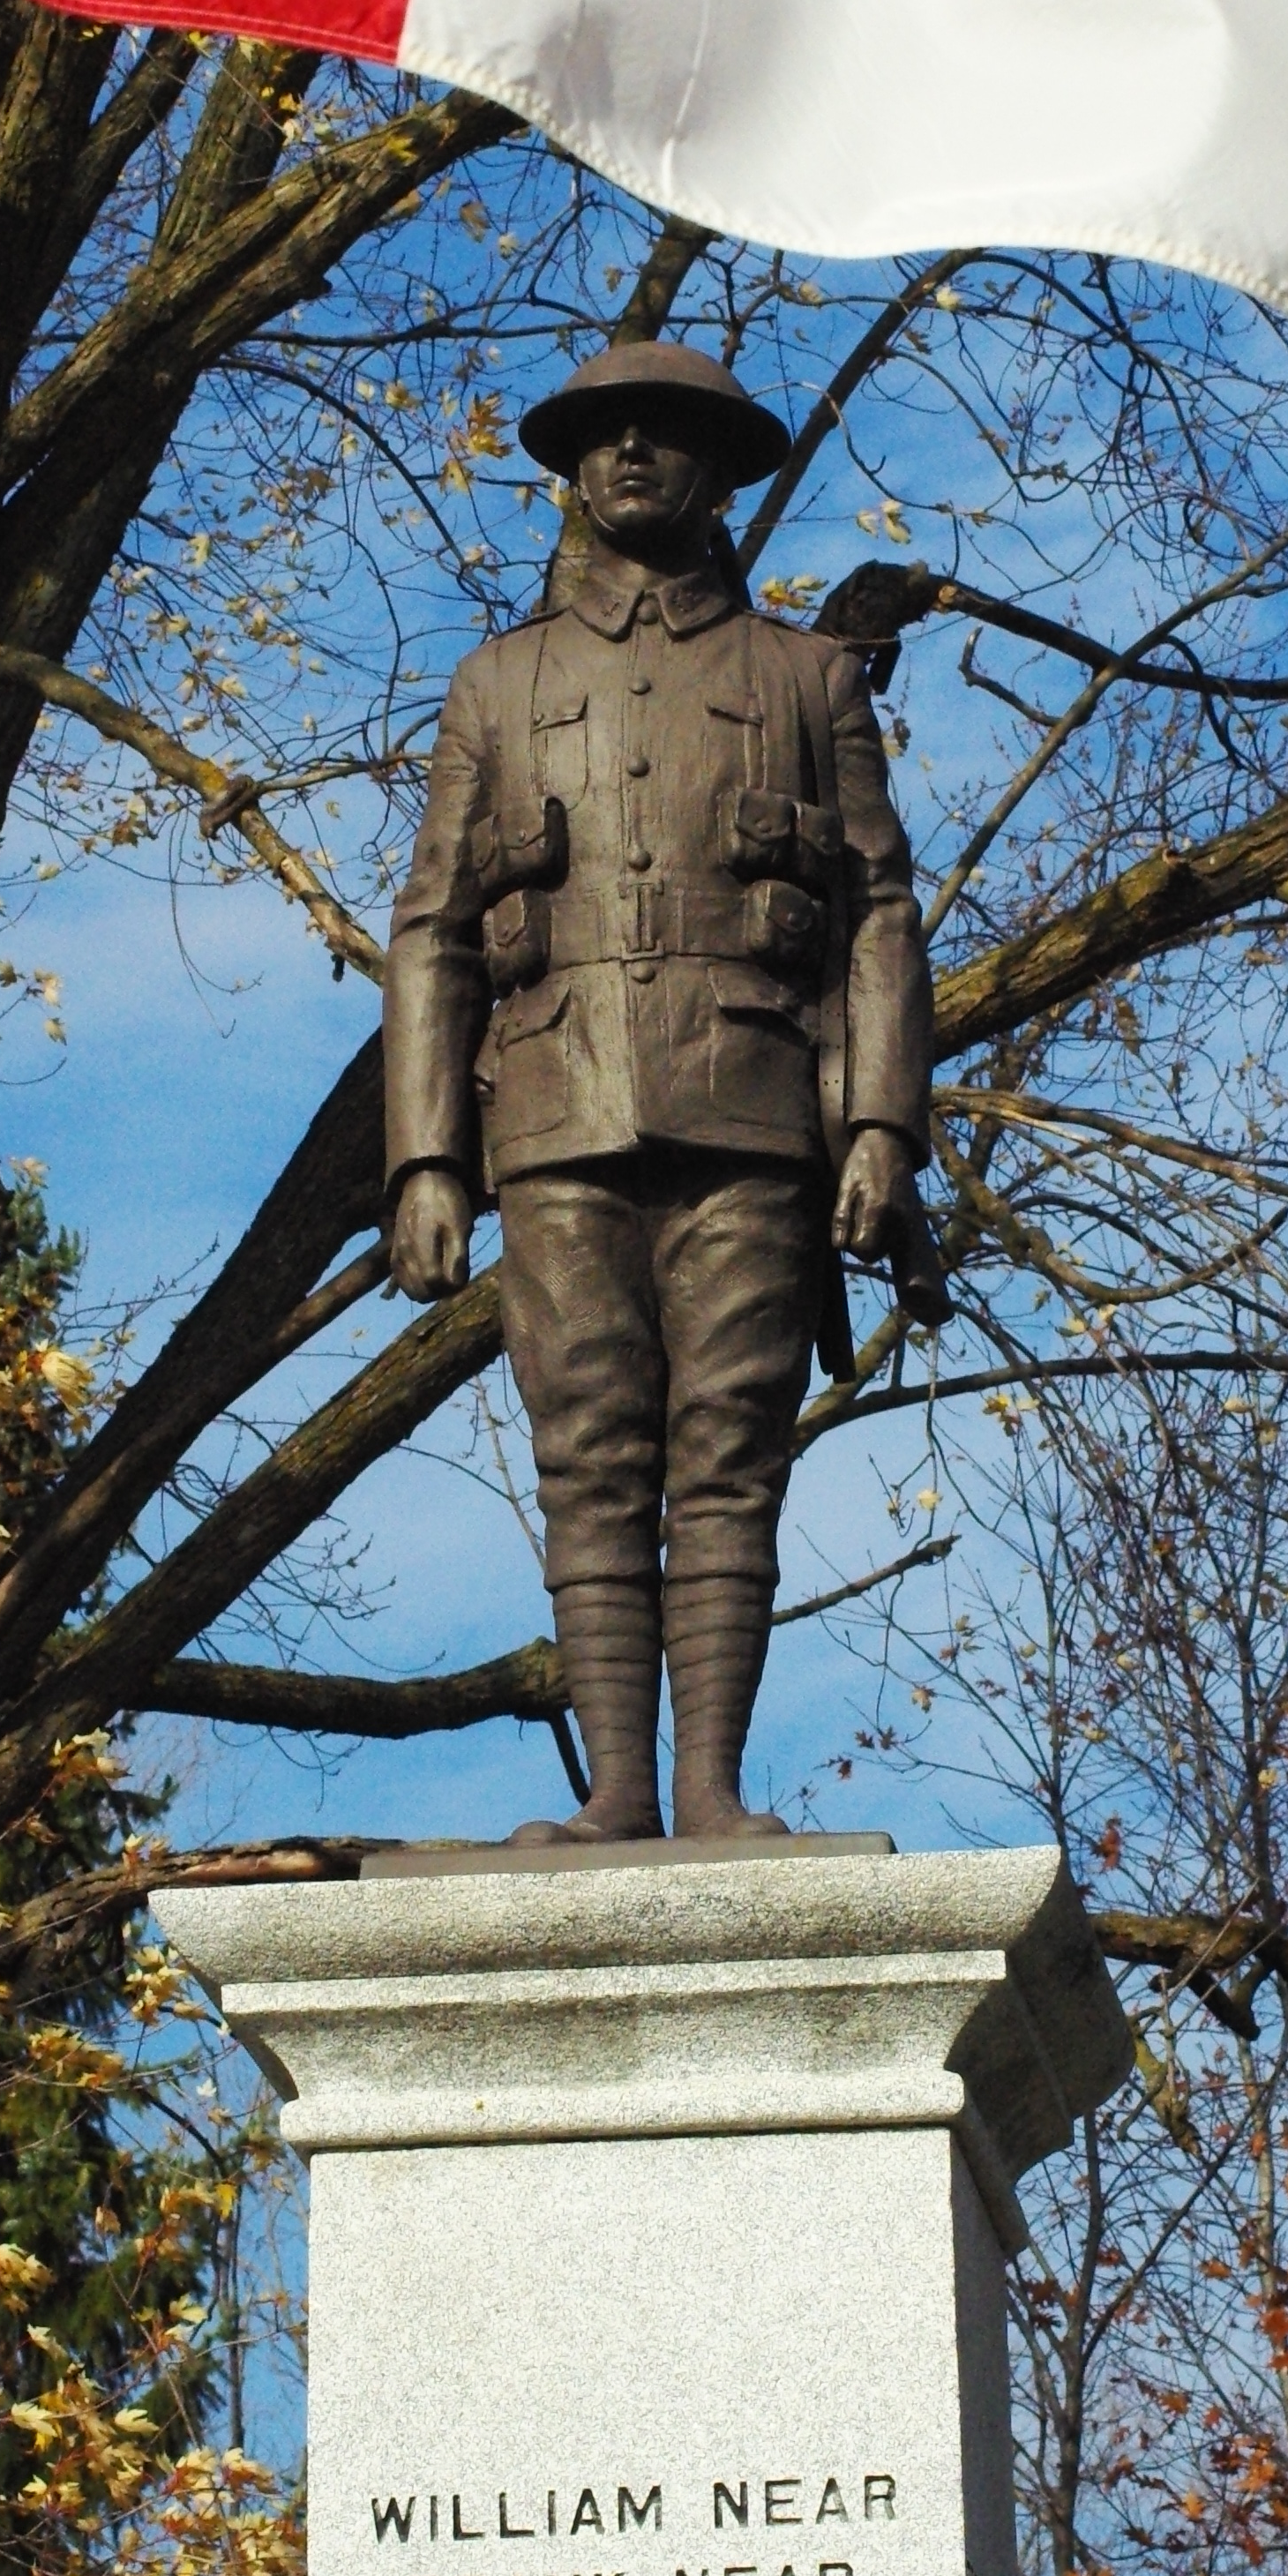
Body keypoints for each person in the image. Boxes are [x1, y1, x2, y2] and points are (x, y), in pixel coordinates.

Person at [382, 339, 945, 1840]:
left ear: (722, 471)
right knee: (588, 1446)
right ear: (571, 468)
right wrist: (427, 1159)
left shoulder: (808, 677)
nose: (631, 453)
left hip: (753, 1108)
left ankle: (709, 1789)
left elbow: (882, 909)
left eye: (667, 434)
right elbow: (434, 928)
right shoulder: (496, 684)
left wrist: (883, 1123)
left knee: (728, 1452)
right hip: (555, 1109)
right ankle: (619, 1788)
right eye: (605, 435)